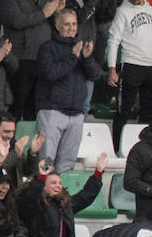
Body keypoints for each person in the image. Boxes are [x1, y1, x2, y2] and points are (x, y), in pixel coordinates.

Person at [105, 0, 152, 154]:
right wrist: (112, 68)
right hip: (131, 64)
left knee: (148, 113)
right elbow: (113, 40)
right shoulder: (122, 11)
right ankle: (116, 149)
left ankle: (144, 150)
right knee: (124, 110)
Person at [35, 10, 102, 171]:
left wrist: (86, 58)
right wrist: (73, 57)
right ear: (58, 26)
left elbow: (96, 75)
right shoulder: (47, 48)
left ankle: (62, 197)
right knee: (46, 164)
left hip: (76, 114)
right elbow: (51, 74)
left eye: (74, 24)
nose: (71, 28)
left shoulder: (79, 47)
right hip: (52, 112)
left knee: (67, 166)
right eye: (67, 24)